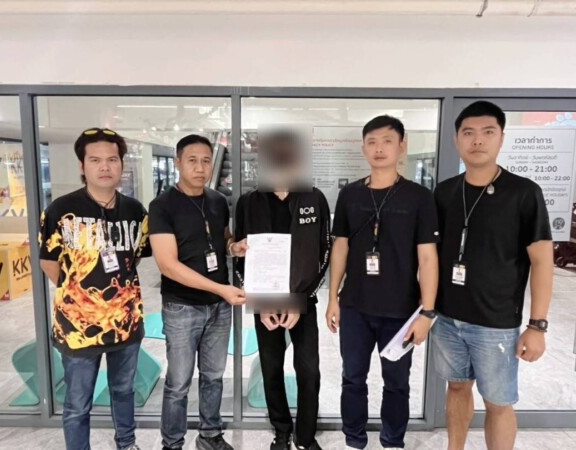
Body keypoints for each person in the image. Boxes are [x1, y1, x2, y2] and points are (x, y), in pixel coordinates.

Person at [432, 101, 554, 450]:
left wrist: (537, 325)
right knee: (457, 387)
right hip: (447, 317)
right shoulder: (445, 192)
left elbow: (542, 261)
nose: (477, 140)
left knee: (498, 402)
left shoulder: (524, 192)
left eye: (488, 132)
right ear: (456, 139)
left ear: (501, 138)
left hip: (496, 323)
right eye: (468, 133)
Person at [326, 115, 439, 450]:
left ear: (402, 146)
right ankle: (354, 439)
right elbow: (340, 247)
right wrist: (332, 298)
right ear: (363, 148)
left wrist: (427, 312)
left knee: (397, 383)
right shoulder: (350, 195)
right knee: (352, 378)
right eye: (372, 142)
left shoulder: (419, 197)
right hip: (355, 307)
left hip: (401, 311)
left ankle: (392, 441)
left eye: (387, 141)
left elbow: (428, 257)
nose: (379, 148)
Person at [39, 128, 152, 450]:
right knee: (78, 403)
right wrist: (78, 292)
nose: (105, 166)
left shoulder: (135, 211)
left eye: (112, 159)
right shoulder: (61, 210)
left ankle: (126, 444)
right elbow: (49, 262)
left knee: (124, 391)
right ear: (82, 165)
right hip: (77, 328)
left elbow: (134, 258)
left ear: (121, 164)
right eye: (95, 160)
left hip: (125, 323)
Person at [230, 129, 331, 450]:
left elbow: (324, 254)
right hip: (265, 301)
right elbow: (239, 256)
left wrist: (299, 301)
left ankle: (306, 435)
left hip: (303, 300)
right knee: (271, 368)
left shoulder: (314, 199)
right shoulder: (248, 203)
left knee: (309, 370)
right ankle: (282, 430)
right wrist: (260, 302)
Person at [149, 134, 245, 450]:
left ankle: (210, 435)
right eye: (192, 160)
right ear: (178, 162)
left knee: (214, 376)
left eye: (206, 161)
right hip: (182, 308)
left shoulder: (217, 200)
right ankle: (172, 443)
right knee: (178, 383)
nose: (200, 168)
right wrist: (221, 288)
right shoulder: (162, 206)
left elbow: (223, 238)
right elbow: (168, 265)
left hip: (219, 307)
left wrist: (233, 247)